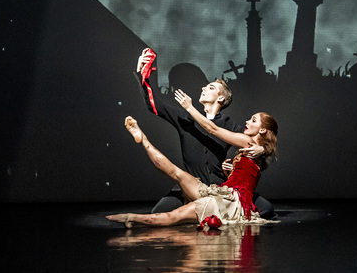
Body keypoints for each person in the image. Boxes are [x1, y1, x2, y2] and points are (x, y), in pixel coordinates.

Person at [134, 48, 274, 217]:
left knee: (266, 209)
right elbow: (153, 105)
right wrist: (142, 74)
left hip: (221, 188)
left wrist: (263, 150)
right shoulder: (185, 117)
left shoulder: (229, 125)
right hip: (188, 186)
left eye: (211, 87)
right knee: (158, 212)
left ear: (220, 98)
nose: (204, 88)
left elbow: (256, 138)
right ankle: (204, 212)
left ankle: (208, 213)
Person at [106, 97, 278, 228]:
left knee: (176, 214)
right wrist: (229, 171)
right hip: (223, 193)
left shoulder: (249, 143)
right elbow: (243, 178)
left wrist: (189, 107)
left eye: (253, 120)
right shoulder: (251, 148)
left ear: (262, 130)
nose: (247, 122)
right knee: (177, 173)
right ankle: (143, 139)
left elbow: (213, 129)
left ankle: (132, 217)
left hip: (230, 202)